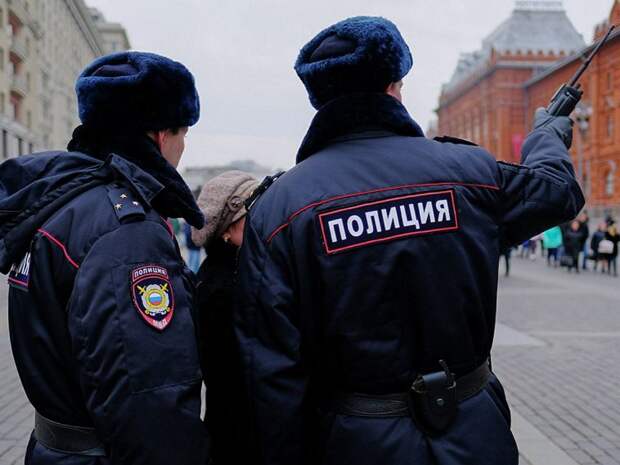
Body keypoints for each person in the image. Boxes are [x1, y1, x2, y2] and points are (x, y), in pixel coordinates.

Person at [235, 16, 584, 465]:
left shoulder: (281, 208)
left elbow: (270, 372)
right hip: (473, 432)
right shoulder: (469, 173)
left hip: (356, 443)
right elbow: (556, 191)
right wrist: (547, 136)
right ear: (393, 86)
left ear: (319, 98)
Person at [0, 52, 209, 464]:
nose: (183, 148)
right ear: (161, 136)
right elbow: (149, 403)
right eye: (183, 134)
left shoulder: (60, 206)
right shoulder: (128, 232)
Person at [191, 171, 259, 465]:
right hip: (240, 435)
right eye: (251, 214)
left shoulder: (231, 274)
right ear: (226, 231)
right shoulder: (223, 287)